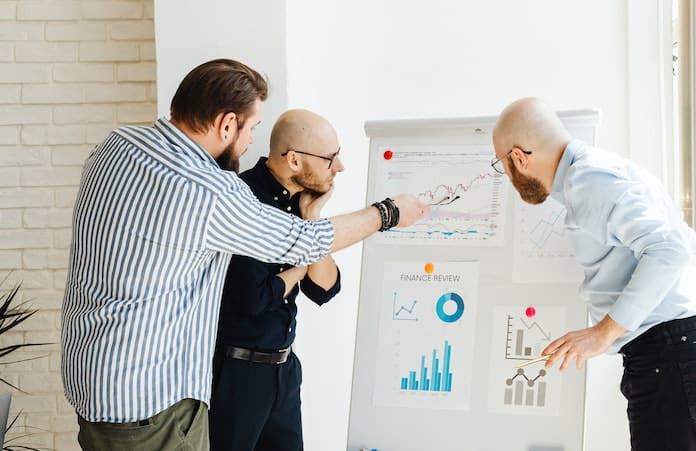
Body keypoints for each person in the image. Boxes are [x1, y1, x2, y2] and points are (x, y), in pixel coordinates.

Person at [61, 59, 426, 451]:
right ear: (227, 124)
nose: (253, 140)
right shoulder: (210, 190)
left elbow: (318, 280)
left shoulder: (116, 146)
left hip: (93, 385)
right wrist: (387, 213)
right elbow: (302, 244)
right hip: (151, 405)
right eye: (251, 128)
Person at [492, 97, 696, 451]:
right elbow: (687, 245)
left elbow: (670, 249)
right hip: (677, 352)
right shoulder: (601, 172)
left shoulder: (590, 182)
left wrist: (604, 332)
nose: (509, 176)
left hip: (672, 356)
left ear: (519, 158)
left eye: (503, 165)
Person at [209, 109, 344, 450]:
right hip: (238, 374)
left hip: (284, 371)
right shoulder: (243, 198)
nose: (339, 167)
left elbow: (324, 288)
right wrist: (305, 254)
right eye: (330, 158)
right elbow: (256, 297)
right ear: (295, 160)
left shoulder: (301, 203)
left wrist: (312, 218)